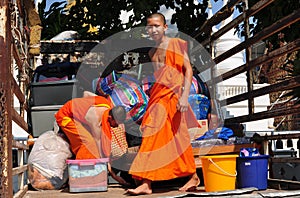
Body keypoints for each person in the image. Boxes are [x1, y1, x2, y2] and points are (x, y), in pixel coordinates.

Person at [127, 13, 200, 195]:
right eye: (150, 27)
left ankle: (191, 176)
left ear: (165, 27)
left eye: (157, 26)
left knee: (178, 138)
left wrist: (184, 96)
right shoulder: (151, 53)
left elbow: (188, 69)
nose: (153, 30)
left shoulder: (175, 44)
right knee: (152, 134)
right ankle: (147, 182)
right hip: (158, 97)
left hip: (174, 97)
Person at [55, 91, 130, 185]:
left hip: (78, 115)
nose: (116, 126)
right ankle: (80, 177)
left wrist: (83, 107)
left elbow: (86, 93)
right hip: (66, 116)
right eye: (116, 123)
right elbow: (99, 148)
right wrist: (112, 173)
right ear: (110, 117)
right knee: (88, 143)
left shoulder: (105, 103)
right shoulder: (96, 121)